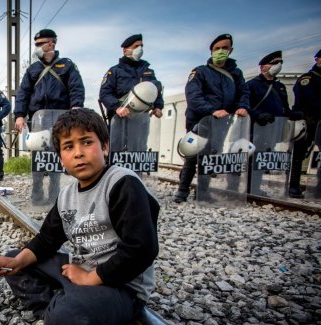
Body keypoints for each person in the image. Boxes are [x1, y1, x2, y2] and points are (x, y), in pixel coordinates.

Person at [0, 108, 159, 325]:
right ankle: (61, 306)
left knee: (65, 322)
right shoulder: (68, 195)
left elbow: (142, 248)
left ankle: (66, 310)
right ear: (60, 158)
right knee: (18, 260)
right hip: (81, 271)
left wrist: (92, 278)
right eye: (68, 147)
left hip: (121, 286)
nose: (78, 152)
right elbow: (47, 239)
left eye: (87, 142)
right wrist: (15, 262)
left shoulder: (122, 183)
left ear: (105, 147)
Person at [174, 33, 249, 203]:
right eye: (217, 48)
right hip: (199, 122)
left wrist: (243, 106)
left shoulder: (236, 74)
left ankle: (203, 192)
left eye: (225, 48)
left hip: (222, 123)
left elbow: (244, 93)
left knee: (210, 157)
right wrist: (212, 110)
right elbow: (193, 96)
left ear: (231, 50)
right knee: (192, 155)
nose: (221, 51)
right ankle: (182, 190)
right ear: (211, 51)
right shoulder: (200, 71)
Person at [14, 29, 85, 205]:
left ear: (51, 43)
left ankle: (54, 195)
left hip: (60, 119)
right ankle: (36, 196)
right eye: (36, 44)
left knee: (56, 158)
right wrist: (20, 115)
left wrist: (76, 107)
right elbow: (23, 93)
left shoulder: (67, 65)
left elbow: (76, 88)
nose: (37, 47)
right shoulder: (33, 69)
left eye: (40, 44)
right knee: (38, 158)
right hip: (38, 120)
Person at [246, 51, 297, 193]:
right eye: (274, 63)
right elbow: (245, 106)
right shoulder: (252, 85)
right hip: (255, 129)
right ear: (262, 67)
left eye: (280, 63)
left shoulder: (279, 87)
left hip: (273, 129)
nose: (278, 66)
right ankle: (248, 187)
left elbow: (284, 109)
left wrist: (294, 114)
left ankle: (254, 188)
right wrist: (258, 115)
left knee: (263, 158)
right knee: (252, 158)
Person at [99, 33, 163, 121]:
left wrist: (158, 107)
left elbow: (155, 91)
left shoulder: (148, 72)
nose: (139, 49)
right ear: (125, 50)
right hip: (119, 119)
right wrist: (117, 107)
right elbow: (105, 94)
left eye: (141, 46)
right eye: (136, 46)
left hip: (141, 119)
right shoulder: (114, 71)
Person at [290, 49, 321, 199]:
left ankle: (318, 187)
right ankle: (293, 185)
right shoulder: (308, 78)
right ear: (317, 60)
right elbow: (308, 100)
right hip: (307, 120)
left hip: (318, 122)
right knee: (299, 154)